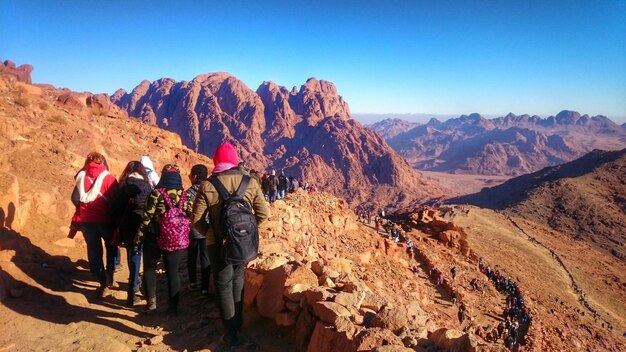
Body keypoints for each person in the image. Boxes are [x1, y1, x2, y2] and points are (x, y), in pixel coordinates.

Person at [191, 143, 269, 346]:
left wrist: (210, 233)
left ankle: (230, 333)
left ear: (216, 161)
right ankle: (238, 322)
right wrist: (246, 232)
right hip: (242, 242)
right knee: (238, 279)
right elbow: (263, 213)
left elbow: (197, 219)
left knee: (223, 284)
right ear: (235, 160)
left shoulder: (207, 185)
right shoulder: (249, 182)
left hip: (216, 244)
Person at [134, 164, 193, 314]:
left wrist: (138, 240)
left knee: (149, 268)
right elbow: (192, 215)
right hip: (176, 240)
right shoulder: (186, 195)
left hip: (154, 237)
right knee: (173, 272)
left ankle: (151, 303)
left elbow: (146, 219)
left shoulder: (156, 194)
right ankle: (173, 307)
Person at [71, 152, 119, 298]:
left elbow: (75, 197)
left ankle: (103, 284)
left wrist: (83, 209)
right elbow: (116, 200)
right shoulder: (109, 178)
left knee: (95, 252)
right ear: (102, 163)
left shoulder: (81, 177)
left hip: (87, 222)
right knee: (111, 247)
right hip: (106, 221)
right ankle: (110, 276)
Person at [112, 160, 152, 306]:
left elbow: (115, 207)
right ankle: (137, 289)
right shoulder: (148, 187)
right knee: (139, 254)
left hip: (126, 226)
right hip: (143, 225)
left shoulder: (122, 185)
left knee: (132, 254)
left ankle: (132, 289)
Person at [186, 164, 211, 296]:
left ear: (195, 176)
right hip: (207, 230)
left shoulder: (188, 193)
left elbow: (185, 211)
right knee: (205, 258)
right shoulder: (210, 190)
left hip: (193, 230)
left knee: (192, 256)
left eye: (191, 174)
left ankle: (193, 282)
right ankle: (205, 287)